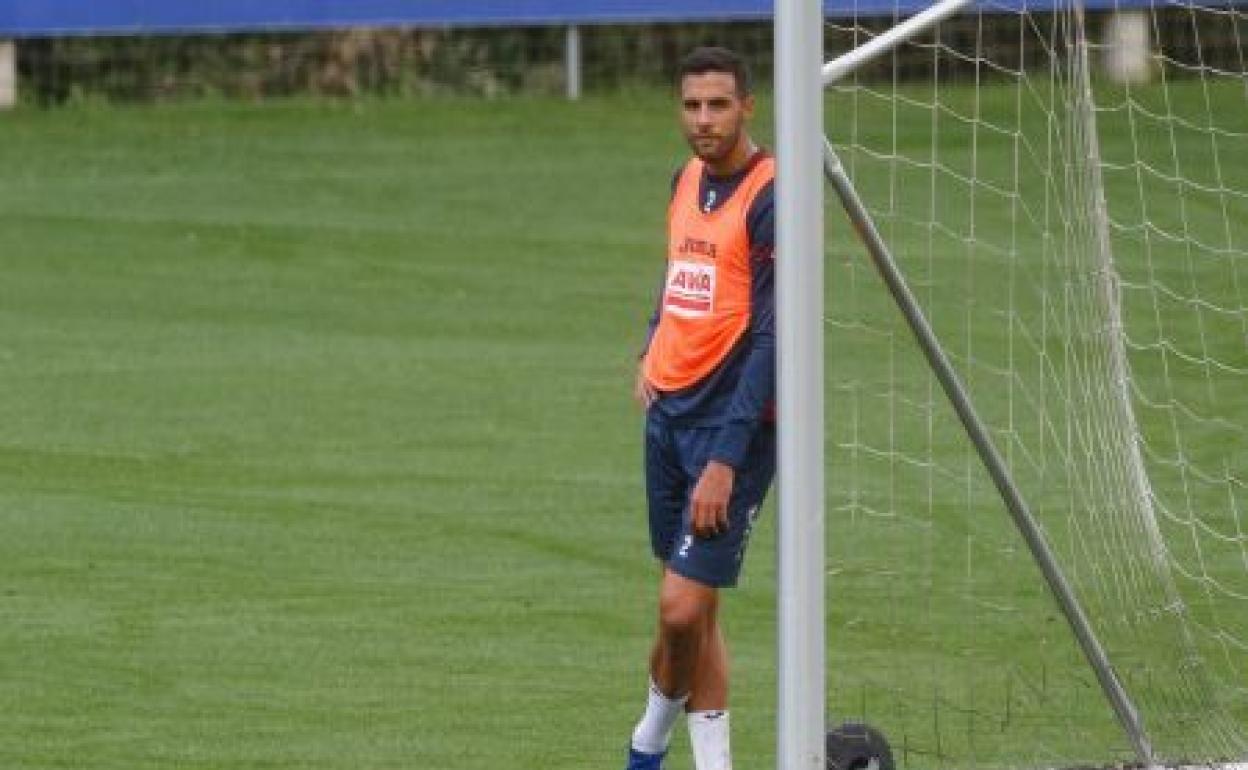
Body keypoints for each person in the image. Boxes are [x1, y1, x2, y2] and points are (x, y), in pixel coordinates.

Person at [625, 46, 776, 770]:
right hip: (669, 417)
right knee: (694, 613)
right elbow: (681, 271)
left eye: (718, 105)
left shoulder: (771, 197)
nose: (703, 120)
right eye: (691, 106)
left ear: (747, 106)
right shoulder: (683, 178)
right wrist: (651, 345)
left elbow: (775, 334)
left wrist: (726, 459)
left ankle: (646, 744)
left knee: (680, 608)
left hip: (731, 429)